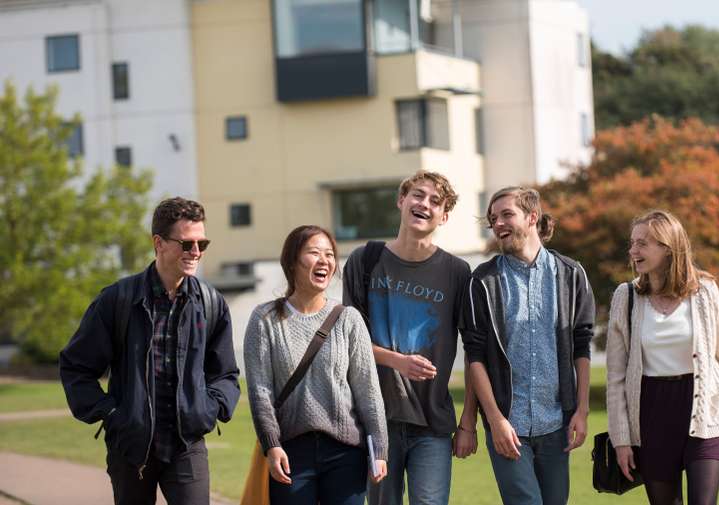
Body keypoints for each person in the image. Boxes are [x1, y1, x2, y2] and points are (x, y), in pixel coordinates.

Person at [59, 197, 241, 504]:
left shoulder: (211, 304)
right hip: (131, 447)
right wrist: (112, 415)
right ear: (159, 243)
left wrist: (208, 410)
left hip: (187, 446)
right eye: (187, 244)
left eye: (202, 244)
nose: (196, 252)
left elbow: (225, 374)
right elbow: (76, 367)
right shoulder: (117, 300)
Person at [606, 210, 719, 505]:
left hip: (704, 408)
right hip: (651, 413)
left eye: (643, 243)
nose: (633, 251)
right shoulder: (626, 296)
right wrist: (621, 440)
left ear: (668, 247)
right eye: (632, 243)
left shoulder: (705, 291)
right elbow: (615, 378)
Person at [342, 170, 478, 505]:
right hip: (375, 420)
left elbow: (475, 350)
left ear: (444, 216)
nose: (424, 204)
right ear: (402, 201)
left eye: (435, 201)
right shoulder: (364, 260)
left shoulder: (457, 272)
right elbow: (348, 341)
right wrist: (398, 361)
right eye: (418, 195)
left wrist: (468, 423)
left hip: (433, 423)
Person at [462, 187, 595, 505]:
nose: (498, 224)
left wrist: (581, 409)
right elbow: (474, 355)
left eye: (507, 214)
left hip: (557, 423)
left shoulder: (571, 274)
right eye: (493, 218)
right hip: (508, 426)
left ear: (532, 217)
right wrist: (495, 420)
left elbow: (582, 344)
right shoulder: (482, 281)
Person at [244, 225, 388, 505]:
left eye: (330, 254)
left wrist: (379, 450)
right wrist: (271, 445)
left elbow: (368, 391)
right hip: (290, 453)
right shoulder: (264, 319)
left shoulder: (349, 319)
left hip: (346, 453)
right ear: (292, 262)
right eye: (314, 253)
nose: (325, 261)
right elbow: (260, 392)